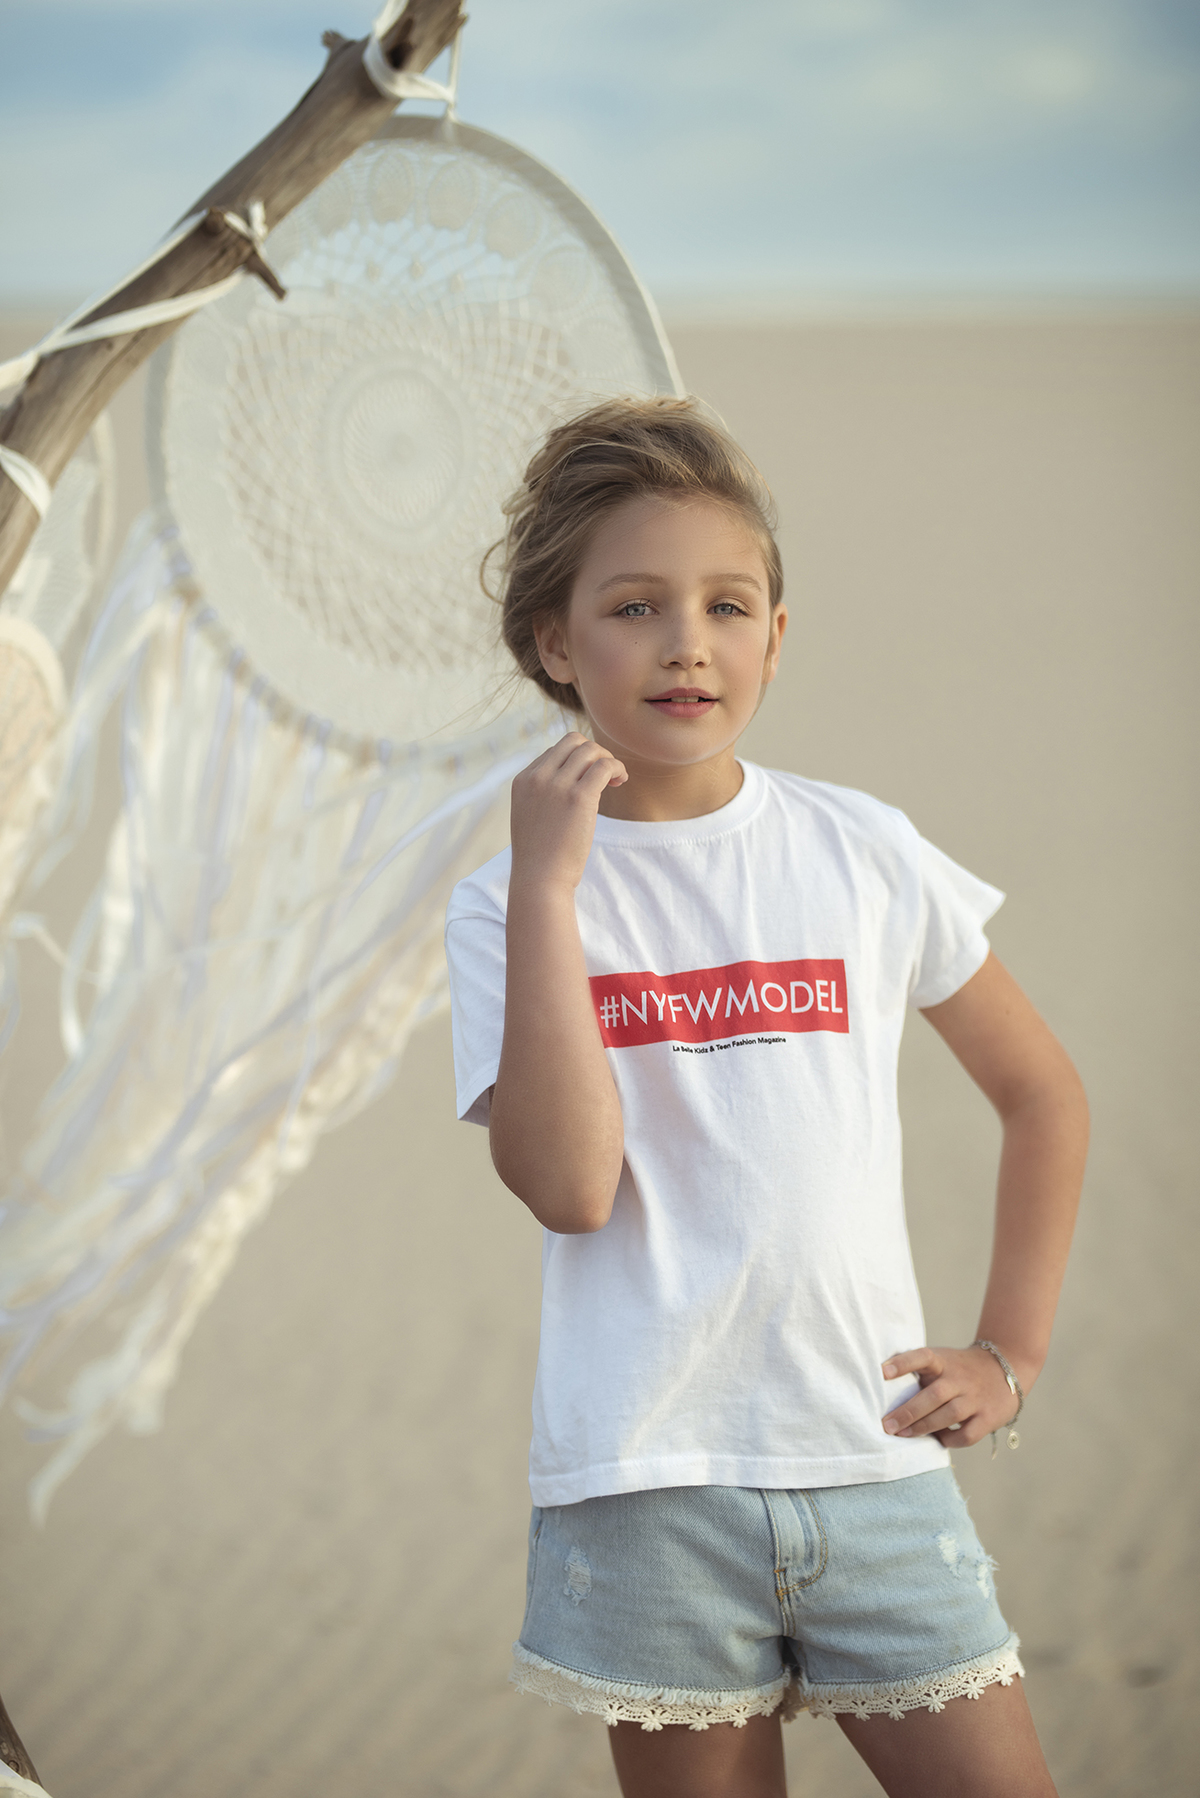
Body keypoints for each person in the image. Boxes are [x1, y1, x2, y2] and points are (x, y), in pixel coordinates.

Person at [444, 397, 1087, 1798]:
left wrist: (1009, 1353)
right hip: (646, 1485)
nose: (688, 640)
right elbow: (569, 1185)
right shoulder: (508, 901)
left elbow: (1042, 1092)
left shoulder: (862, 850)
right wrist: (555, 890)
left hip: (872, 1460)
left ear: (776, 636)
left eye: (728, 604)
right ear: (556, 642)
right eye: (634, 605)